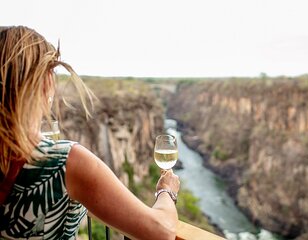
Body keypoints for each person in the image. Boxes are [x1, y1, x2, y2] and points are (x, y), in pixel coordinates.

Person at [0, 26, 180, 240]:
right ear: (43, 82)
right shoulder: (64, 161)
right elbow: (162, 231)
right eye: (52, 73)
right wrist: (166, 191)